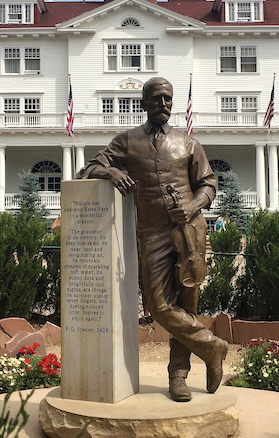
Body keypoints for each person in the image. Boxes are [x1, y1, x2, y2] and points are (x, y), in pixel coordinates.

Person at [79, 77, 228, 402]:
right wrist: (112, 172)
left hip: (190, 231)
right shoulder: (128, 142)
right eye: (157, 99)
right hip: (151, 234)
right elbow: (88, 168)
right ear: (144, 103)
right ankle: (213, 347)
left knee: (187, 305)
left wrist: (192, 204)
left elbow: (209, 184)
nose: (164, 105)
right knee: (160, 307)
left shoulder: (188, 144)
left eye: (168, 99)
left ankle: (178, 376)